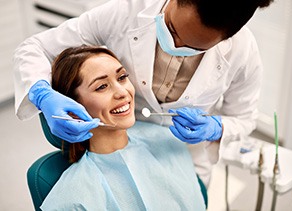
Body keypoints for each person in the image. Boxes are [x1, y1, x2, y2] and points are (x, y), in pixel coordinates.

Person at [13, 0, 274, 186]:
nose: (175, 45)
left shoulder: (243, 52)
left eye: (193, 48)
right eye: (171, 29)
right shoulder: (126, 11)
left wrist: (217, 127)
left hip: (183, 161)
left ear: (225, 40)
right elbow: (34, 48)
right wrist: (42, 94)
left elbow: (244, 117)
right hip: (118, 150)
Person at [40, 45, 206, 210]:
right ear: (73, 110)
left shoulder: (166, 141)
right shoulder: (72, 201)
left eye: (122, 77)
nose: (122, 92)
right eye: (102, 86)